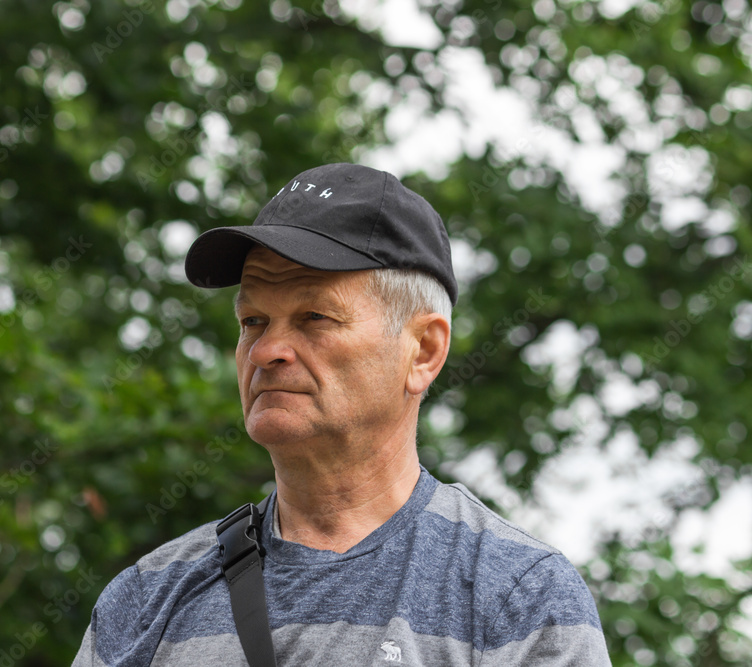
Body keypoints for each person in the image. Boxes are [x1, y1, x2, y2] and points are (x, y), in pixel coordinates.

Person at [72, 163, 611, 666]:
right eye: (254, 321)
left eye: (314, 317)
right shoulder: (146, 599)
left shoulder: (520, 596)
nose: (265, 352)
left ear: (422, 351)